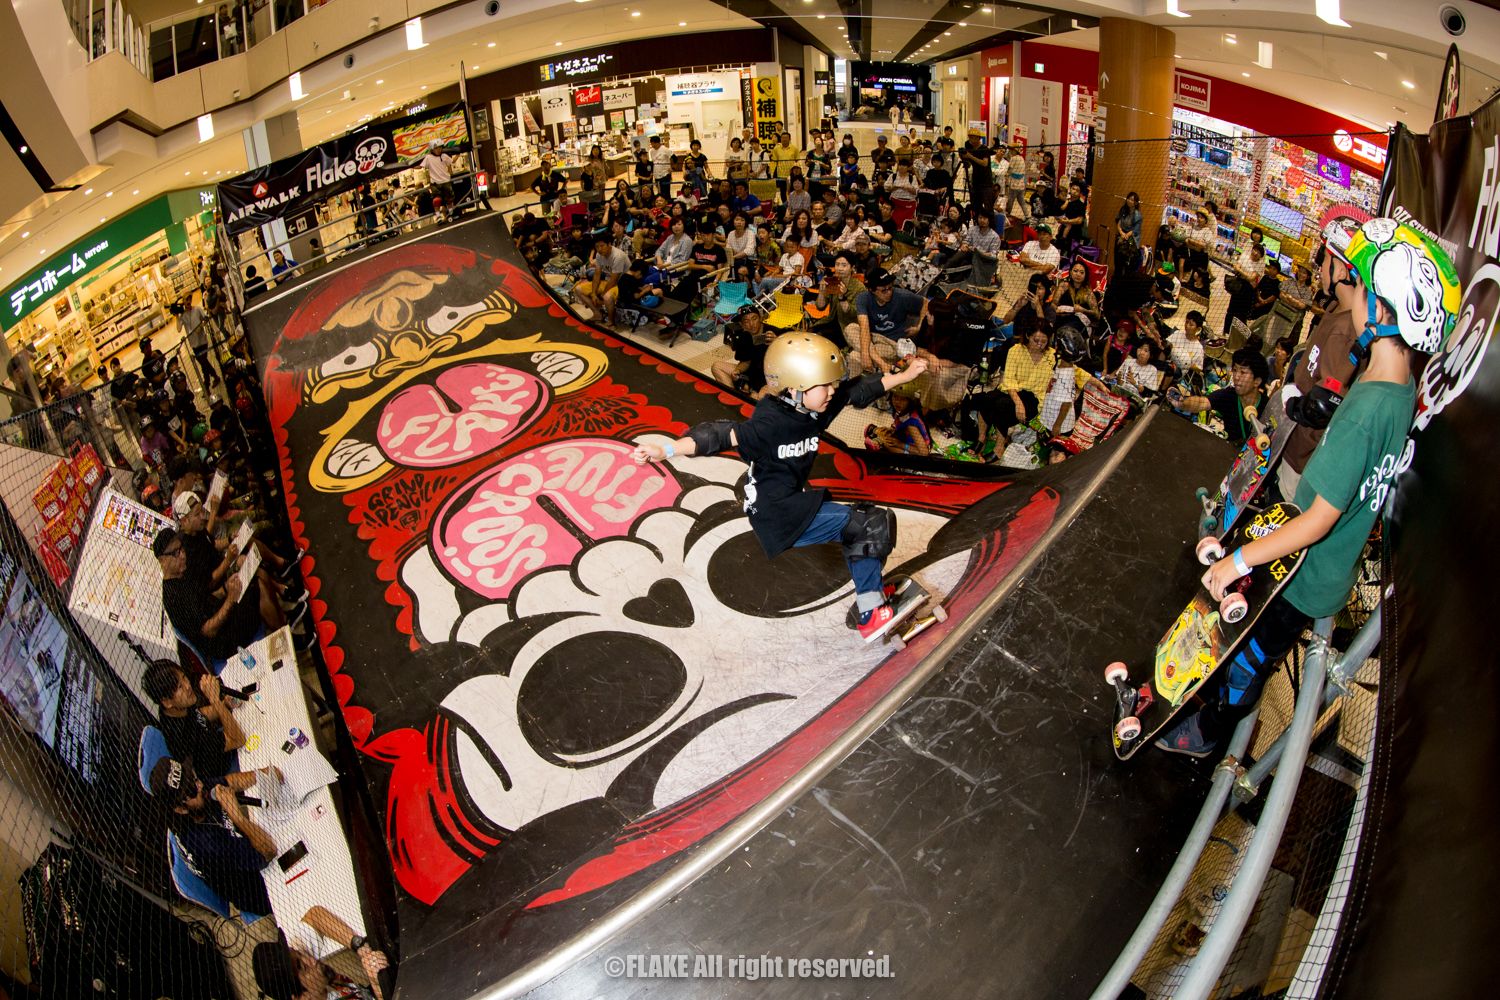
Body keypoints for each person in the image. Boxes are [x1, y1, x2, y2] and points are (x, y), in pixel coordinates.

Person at [1158, 220, 1459, 757]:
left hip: (1305, 572)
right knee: (1248, 644)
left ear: (1383, 309)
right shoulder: (1399, 387)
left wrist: (1237, 562)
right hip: (1321, 563)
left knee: (1250, 656)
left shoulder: (1368, 412)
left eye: (1361, 287)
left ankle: (1209, 733)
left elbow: (1319, 520)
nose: (1354, 296)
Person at [630, 332, 929, 641]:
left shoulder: (814, 407)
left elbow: (858, 390)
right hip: (776, 514)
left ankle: (872, 592)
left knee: (870, 525)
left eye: (831, 384)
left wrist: (904, 376)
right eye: (824, 385)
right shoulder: (771, 423)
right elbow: (719, 435)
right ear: (795, 387)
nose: (831, 391)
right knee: (869, 525)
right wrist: (666, 450)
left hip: (789, 503)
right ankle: (871, 612)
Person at [149, 755, 278, 916]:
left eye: (193, 777)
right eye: (191, 789)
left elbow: (229, 782)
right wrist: (236, 816)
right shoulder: (205, 843)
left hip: (249, 847)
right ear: (180, 809)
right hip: (261, 887)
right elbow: (268, 851)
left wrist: (265, 775)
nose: (200, 785)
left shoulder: (198, 796)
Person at [155, 526, 279, 663]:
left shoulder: (183, 574)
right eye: (176, 553)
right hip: (222, 641)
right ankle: (282, 634)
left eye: (181, 549)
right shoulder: (173, 597)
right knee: (257, 587)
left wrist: (227, 588)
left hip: (223, 618)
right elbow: (209, 631)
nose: (183, 555)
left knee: (251, 577)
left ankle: (282, 626)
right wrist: (230, 599)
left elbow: (208, 595)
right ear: (162, 560)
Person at [142, 659, 245, 780]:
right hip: (226, 771)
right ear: (167, 702)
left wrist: (224, 704)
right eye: (180, 687)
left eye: (184, 677)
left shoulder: (172, 709)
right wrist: (215, 700)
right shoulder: (186, 737)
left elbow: (199, 715)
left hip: (220, 742)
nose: (188, 686)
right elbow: (238, 740)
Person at [252, 914, 389, 1000]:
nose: (312, 960)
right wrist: (379, 986)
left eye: (298, 952)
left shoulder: (310, 976)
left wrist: (360, 947)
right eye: (303, 967)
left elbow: (314, 916)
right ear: (302, 997)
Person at [1167, 348, 1269, 446]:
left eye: (1243, 372)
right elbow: (1201, 402)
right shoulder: (1228, 396)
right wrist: (1182, 403)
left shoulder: (1268, 406)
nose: (1236, 376)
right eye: (1235, 370)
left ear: (1257, 381)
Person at [711, 305, 774, 396]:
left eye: (754, 318)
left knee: (759, 396)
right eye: (746, 321)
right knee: (716, 367)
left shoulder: (772, 331)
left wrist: (777, 341)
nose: (751, 324)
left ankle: (750, 393)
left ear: (760, 318)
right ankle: (734, 397)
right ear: (742, 324)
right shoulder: (743, 337)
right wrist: (737, 370)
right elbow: (746, 362)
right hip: (752, 374)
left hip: (771, 378)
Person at [864, 388, 932, 456]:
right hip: (905, 437)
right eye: (895, 396)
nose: (897, 402)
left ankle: (880, 446)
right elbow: (900, 425)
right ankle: (878, 439)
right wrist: (891, 430)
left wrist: (900, 444)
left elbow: (924, 453)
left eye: (903, 399)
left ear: (910, 401)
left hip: (915, 451)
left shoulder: (911, 426)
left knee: (887, 444)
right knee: (875, 430)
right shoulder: (901, 411)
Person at [421, 139, 456, 221]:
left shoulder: (444, 156)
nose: (438, 150)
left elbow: (452, 161)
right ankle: (438, 216)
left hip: (446, 181)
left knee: (449, 200)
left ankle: (451, 214)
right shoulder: (428, 158)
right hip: (435, 183)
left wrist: (458, 154)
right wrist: (409, 166)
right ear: (432, 149)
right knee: (436, 200)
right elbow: (421, 166)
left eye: (440, 148)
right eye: (436, 148)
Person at [1167, 310, 1207, 376]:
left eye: (1191, 325)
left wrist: (1185, 363)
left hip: (1179, 371)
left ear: (1198, 329)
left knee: (1169, 369)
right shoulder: (1178, 333)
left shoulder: (1198, 348)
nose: (1187, 326)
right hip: (1168, 362)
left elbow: (1199, 368)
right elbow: (1167, 345)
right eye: (1186, 322)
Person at [1114, 191, 1143, 271]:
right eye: (1128, 199)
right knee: (1117, 262)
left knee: (1127, 265)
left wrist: (1125, 236)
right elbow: (1119, 222)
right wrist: (1121, 233)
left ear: (1136, 203)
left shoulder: (1137, 215)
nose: (1129, 201)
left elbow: (1135, 230)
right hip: (1120, 236)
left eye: (1132, 200)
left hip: (1130, 240)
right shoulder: (1123, 210)